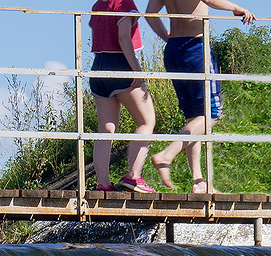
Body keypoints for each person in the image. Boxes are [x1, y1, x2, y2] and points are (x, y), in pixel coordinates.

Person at [144, 0, 255, 192]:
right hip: (195, 47)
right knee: (213, 113)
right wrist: (236, 8)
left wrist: (168, 38)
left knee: (194, 118)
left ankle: (199, 181)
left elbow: (150, 12)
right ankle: (166, 155)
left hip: (173, 50)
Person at [89, 0, 157, 193]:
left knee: (106, 129)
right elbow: (123, 38)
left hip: (98, 67)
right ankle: (134, 176)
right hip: (120, 64)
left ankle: (103, 184)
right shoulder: (124, 3)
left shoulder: (98, 4)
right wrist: (136, 69)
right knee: (146, 121)